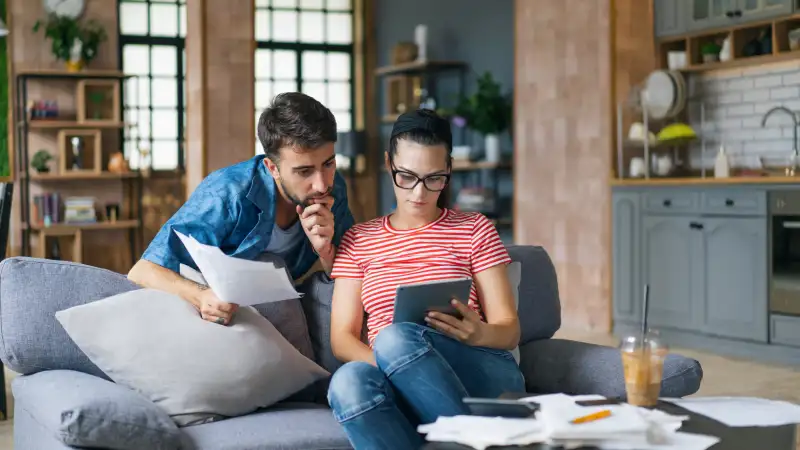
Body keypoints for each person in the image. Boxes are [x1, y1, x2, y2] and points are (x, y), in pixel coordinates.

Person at [326, 109, 524, 449]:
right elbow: (342, 340)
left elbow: (509, 329)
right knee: (348, 382)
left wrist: (480, 332)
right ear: (389, 164)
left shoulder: (475, 229)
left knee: (392, 339)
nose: (419, 193)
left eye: (434, 178)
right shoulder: (359, 240)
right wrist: (396, 368)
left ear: (448, 170)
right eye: (407, 176)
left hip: (477, 367)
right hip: (392, 369)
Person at [128, 92, 355, 325]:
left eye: (328, 163)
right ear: (272, 168)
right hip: (215, 305)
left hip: (281, 299)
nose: (321, 184)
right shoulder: (228, 193)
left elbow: (351, 271)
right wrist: (201, 296)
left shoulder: (333, 187)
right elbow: (143, 271)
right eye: (304, 171)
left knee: (341, 293)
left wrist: (326, 251)